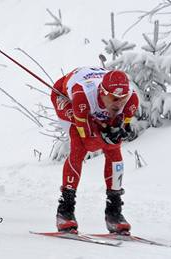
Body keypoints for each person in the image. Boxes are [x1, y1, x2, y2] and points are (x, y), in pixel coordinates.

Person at [50, 67, 139, 234]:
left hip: (91, 94)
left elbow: (121, 129)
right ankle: (65, 210)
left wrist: (117, 131)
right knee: (79, 146)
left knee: (114, 149)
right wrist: (102, 133)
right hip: (64, 96)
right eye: (114, 98)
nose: (119, 103)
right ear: (102, 92)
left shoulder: (131, 100)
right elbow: (88, 142)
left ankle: (114, 211)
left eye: (123, 98)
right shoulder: (82, 96)